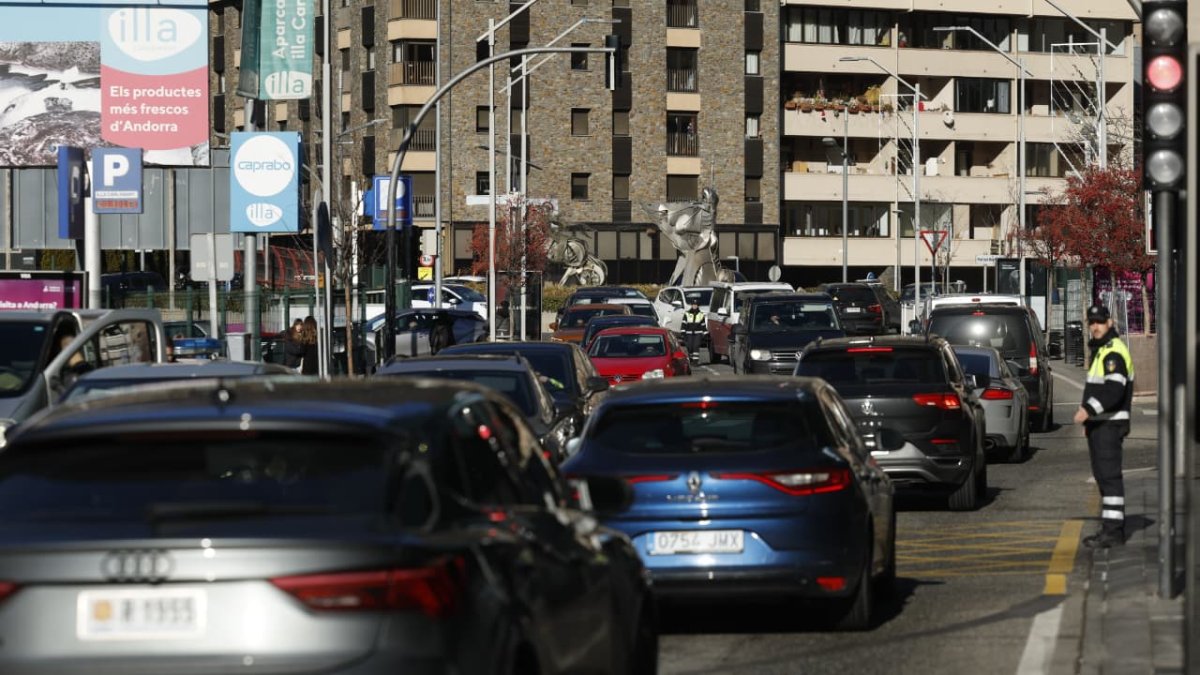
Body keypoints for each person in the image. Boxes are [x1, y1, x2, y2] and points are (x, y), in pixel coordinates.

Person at [1073, 304, 1134, 549]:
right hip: (1101, 425)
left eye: (1099, 321)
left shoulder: (1113, 352)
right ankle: (1109, 529)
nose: (1095, 326)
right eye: (1091, 322)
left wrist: (1088, 410)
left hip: (1110, 424)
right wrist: (1090, 422)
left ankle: (1113, 532)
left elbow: (1114, 390)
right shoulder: (1102, 350)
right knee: (1104, 477)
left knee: (1109, 478)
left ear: (1109, 322)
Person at [680, 299, 706, 363]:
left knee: (696, 346)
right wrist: (683, 332)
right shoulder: (687, 313)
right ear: (692, 305)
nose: (695, 306)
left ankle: (695, 361)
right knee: (689, 346)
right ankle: (691, 357)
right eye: (693, 305)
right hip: (689, 333)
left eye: (696, 305)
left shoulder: (701, 314)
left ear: (698, 306)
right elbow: (684, 323)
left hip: (698, 333)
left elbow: (703, 325)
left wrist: (705, 333)